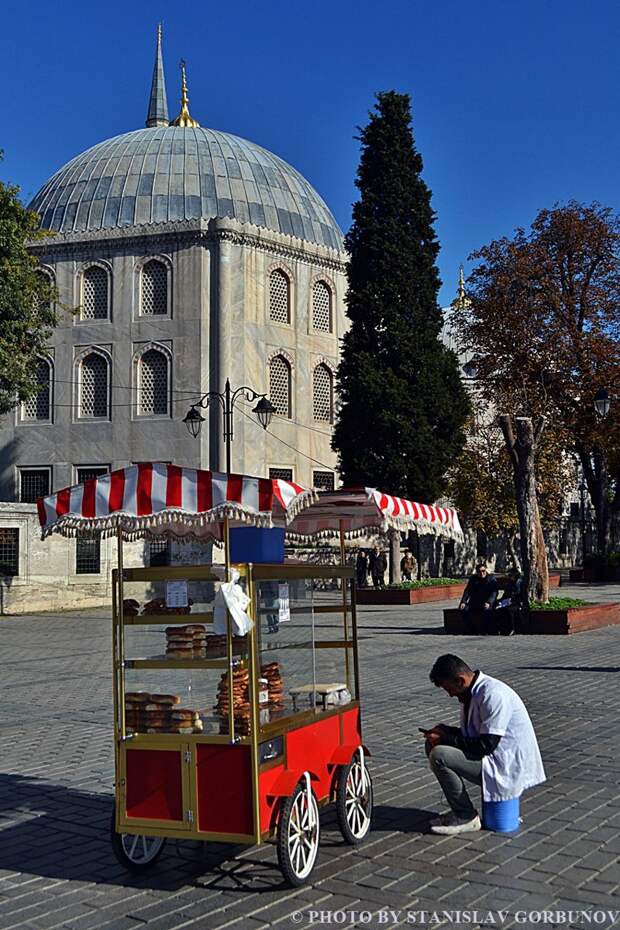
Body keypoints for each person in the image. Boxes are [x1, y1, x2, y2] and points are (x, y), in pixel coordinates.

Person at [422, 654, 546, 836]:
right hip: (492, 756)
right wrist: (445, 731)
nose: (450, 695)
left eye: (449, 689)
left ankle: (466, 816)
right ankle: (460, 810)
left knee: (439, 755)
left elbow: (485, 745)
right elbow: (471, 736)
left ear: (460, 680)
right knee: (432, 744)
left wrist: (446, 739)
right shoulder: (473, 692)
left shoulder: (492, 695)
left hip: (507, 766)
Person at [458, 563, 498, 634]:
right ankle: (471, 630)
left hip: (487, 602)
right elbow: (467, 591)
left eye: (483, 571)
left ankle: (486, 630)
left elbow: (494, 593)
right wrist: (463, 602)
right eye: (479, 572)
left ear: (486, 571)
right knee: (464, 609)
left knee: (487, 610)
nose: (482, 573)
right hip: (475, 602)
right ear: (477, 572)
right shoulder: (473, 579)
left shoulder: (491, 579)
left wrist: (489, 602)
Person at [494, 567, 524, 636]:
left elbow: (522, 596)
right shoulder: (509, 584)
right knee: (497, 608)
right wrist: (500, 601)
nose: (509, 577)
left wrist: (512, 601)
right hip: (508, 602)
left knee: (509, 610)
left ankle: (512, 629)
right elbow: (505, 595)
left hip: (517, 603)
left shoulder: (520, 583)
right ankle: (500, 629)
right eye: (509, 576)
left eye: (511, 576)